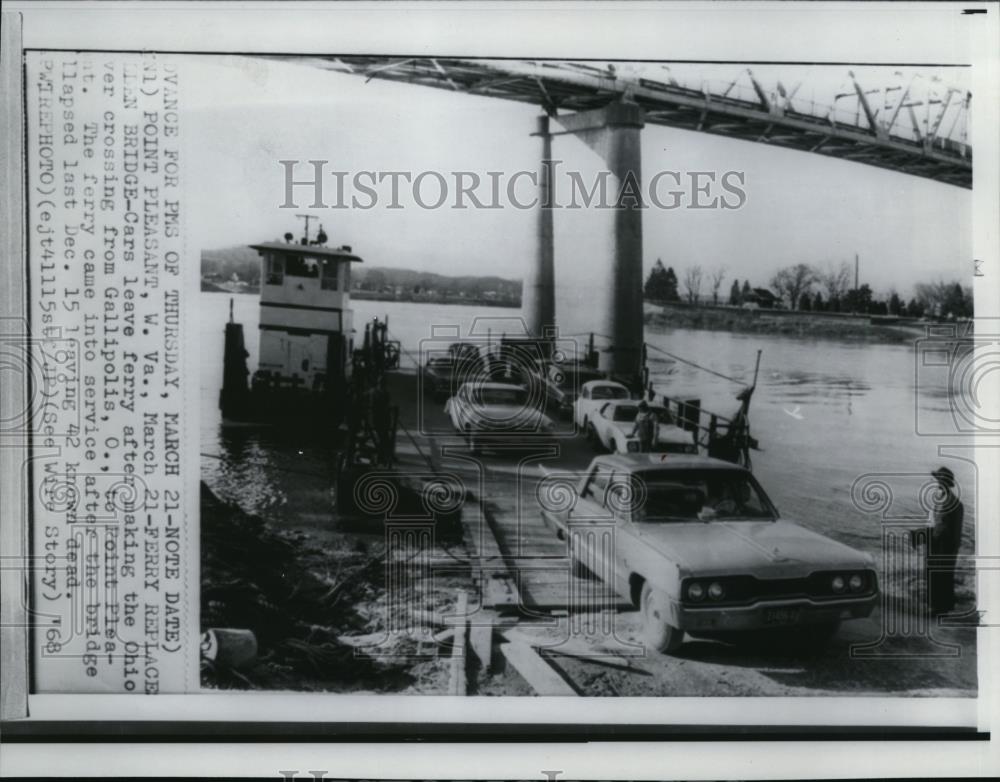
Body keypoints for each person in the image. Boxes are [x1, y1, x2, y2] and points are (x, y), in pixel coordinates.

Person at [912, 466, 964, 615]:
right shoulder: (940, 497)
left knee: (942, 575)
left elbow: (953, 530)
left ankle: (940, 608)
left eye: (941, 480)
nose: (938, 483)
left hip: (945, 545)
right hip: (936, 542)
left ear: (947, 483)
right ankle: (938, 605)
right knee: (933, 573)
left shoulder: (955, 503)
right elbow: (935, 522)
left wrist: (949, 548)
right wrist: (927, 535)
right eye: (938, 480)